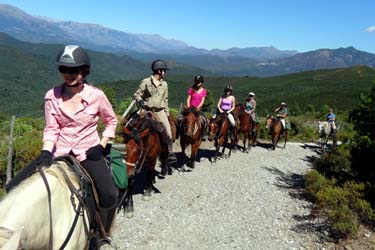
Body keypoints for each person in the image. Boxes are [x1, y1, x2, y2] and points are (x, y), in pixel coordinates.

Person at [5, 45, 118, 244]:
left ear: (85, 71)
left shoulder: (96, 96)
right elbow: (51, 128)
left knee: (109, 194)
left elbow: (111, 121)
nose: (68, 74)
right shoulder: (52, 96)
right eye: (64, 69)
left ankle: (101, 234)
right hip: (59, 150)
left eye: (74, 70)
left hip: (87, 152)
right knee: (13, 186)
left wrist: (101, 145)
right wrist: (46, 151)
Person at [133, 59, 177, 163]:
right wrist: (140, 101)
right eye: (164, 70)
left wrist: (166, 113)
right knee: (133, 126)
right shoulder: (146, 81)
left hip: (159, 111)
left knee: (168, 132)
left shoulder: (165, 84)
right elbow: (137, 94)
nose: (165, 73)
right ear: (159, 71)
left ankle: (169, 152)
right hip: (147, 110)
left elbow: (165, 99)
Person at [177, 74, 208, 139]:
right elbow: (188, 98)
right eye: (196, 82)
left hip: (197, 109)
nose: (197, 83)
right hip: (190, 108)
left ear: (201, 82)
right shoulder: (191, 89)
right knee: (179, 118)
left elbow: (202, 101)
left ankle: (202, 134)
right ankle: (178, 132)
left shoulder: (204, 91)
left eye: (199, 82)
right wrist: (188, 106)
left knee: (204, 120)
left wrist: (198, 107)